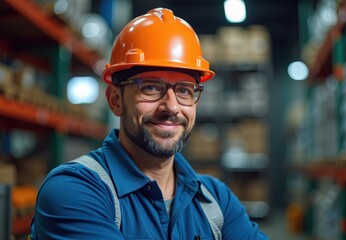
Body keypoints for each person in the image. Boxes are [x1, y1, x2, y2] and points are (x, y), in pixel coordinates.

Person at [30, 8, 268, 239]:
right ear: (115, 100)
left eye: (184, 90)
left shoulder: (215, 199)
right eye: (151, 87)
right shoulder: (74, 190)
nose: (172, 107)